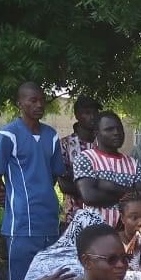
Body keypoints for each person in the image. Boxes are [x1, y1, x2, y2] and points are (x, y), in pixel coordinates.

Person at [0, 82, 69, 280]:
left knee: (49, 278)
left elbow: (54, 174)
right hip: (22, 221)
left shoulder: (51, 135)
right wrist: (9, 198)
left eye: (42, 100)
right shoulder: (7, 135)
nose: (39, 104)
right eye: (33, 100)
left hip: (49, 217)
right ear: (20, 103)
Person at [72, 110, 141, 227]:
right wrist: (128, 193)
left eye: (119, 129)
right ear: (96, 133)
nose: (116, 133)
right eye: (109, 129)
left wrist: (109, 186)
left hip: (128, 233)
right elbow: (89, 196)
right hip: (95, 233)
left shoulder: (133, 163)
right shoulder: (86, 158)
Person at [55, 94, 100, 222]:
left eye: (95, 112)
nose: (92, 117)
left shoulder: (103, 144)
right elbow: (63, 185)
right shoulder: (64, 145)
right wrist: (93, 191)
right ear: (77, 115)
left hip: (102, 215)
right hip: (73, 215)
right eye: (87, 112)